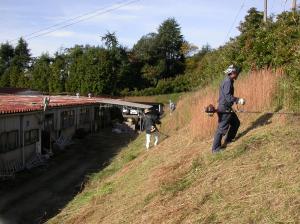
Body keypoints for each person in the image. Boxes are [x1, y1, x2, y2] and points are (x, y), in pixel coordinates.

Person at [212, 65, 245, 153]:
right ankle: (215, 149)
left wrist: (234, 103)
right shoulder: (228, 82)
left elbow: (228, 97)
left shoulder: (229, 80)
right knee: (221, 128)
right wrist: (238, 100)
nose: (238, 74)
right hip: (224, 109)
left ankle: (229, 140)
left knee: (235, 123)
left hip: (227, 107)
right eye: (237, 72)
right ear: (232, 73)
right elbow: (228, 97)